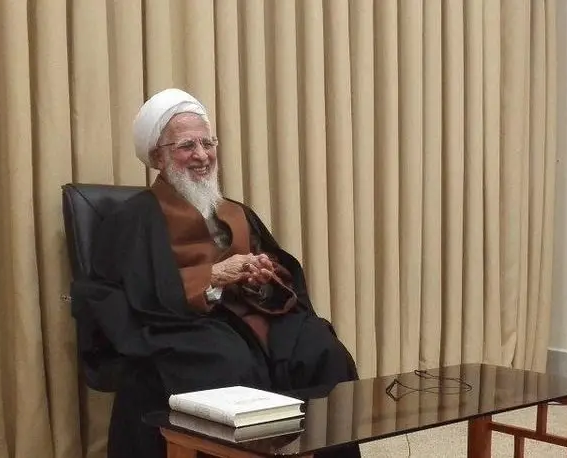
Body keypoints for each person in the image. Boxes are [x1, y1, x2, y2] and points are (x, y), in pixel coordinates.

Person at [72, 88, 361, 458]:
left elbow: (281, 276)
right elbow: (123, 294)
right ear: (158, 157)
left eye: (208, 143)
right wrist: (212, 277)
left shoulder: (236, 211)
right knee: (227, 362)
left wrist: (262, 279)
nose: (202, 155)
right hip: (184, 324)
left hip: (255, 318)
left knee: (321, 349)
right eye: (187, 146)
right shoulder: (132, 219)